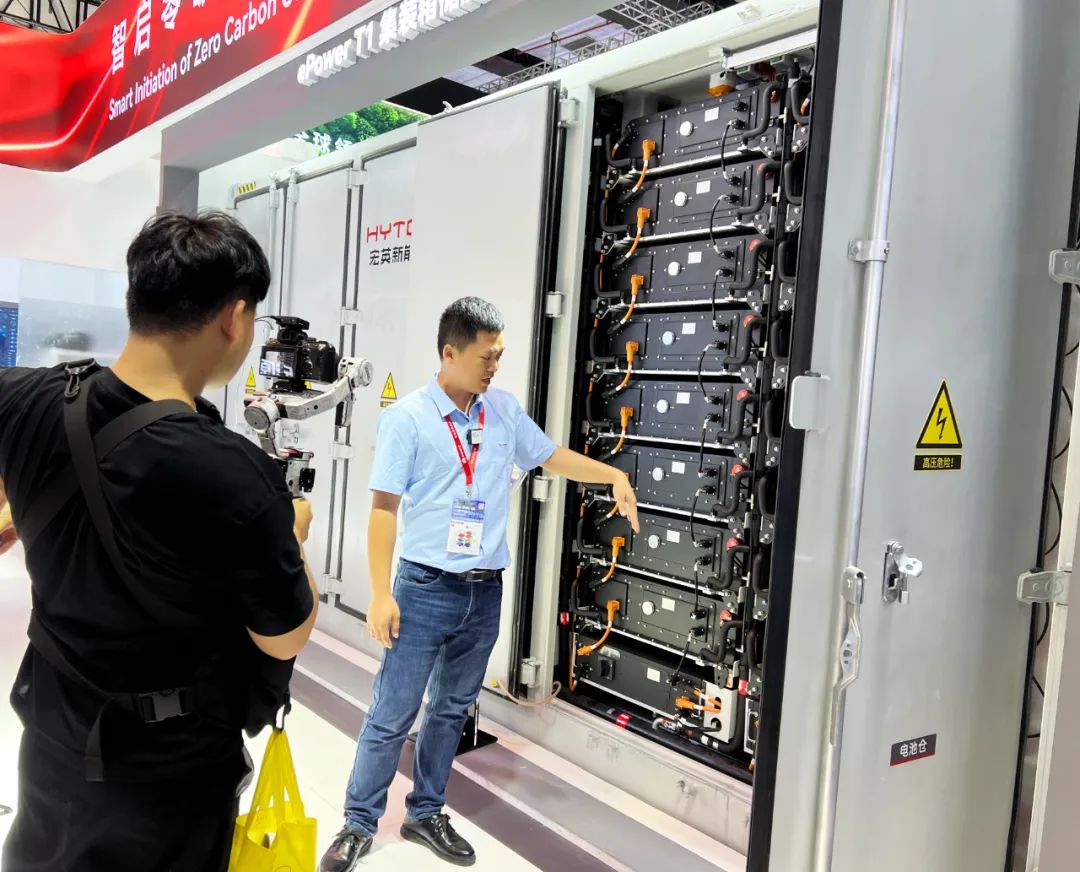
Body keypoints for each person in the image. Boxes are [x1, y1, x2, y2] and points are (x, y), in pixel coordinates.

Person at [0, 211, 320, 871]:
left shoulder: (27, 397)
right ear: (234, 318)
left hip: (52, 735)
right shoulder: (235, 472)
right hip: (167, 773)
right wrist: (292, 532)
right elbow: (284, 636)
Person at [320, 297, 640, 870]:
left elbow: (551, 456)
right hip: (423, 588)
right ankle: (358, 822)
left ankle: (425, 812)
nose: (495, 366)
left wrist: (611, 474)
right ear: (450, 353)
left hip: (485, 589)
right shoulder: (408, 419)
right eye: (486, 356)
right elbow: (383, 509)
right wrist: (381, 593)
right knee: (393, 711)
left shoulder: (504, 412)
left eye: (499, 355)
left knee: (452, 710)